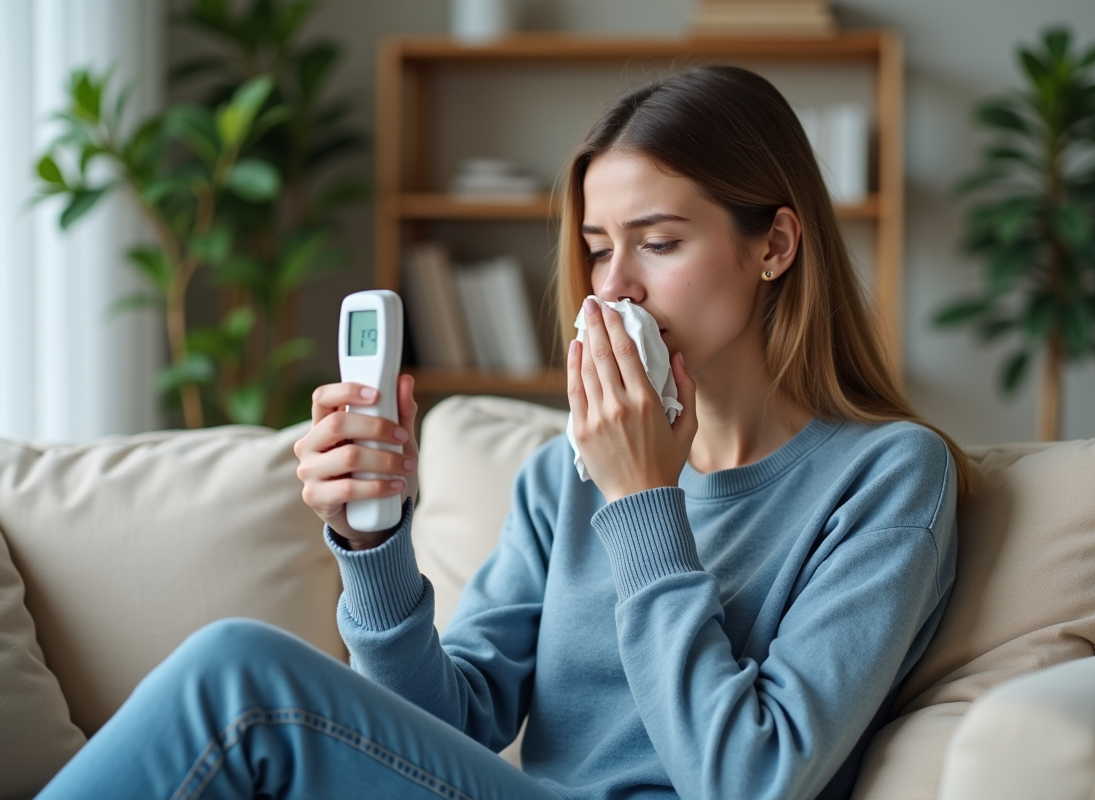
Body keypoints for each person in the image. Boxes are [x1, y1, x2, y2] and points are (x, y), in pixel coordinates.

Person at [37, 64, 968, 800]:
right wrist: (373, 545)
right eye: (601, 248)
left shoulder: (886, 475)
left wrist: (645, 501)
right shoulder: (564, 474)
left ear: (774, 245)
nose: (615, 288)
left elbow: (752, 778)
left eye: (662, 241)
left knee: (236, 679)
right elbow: (449, 724)